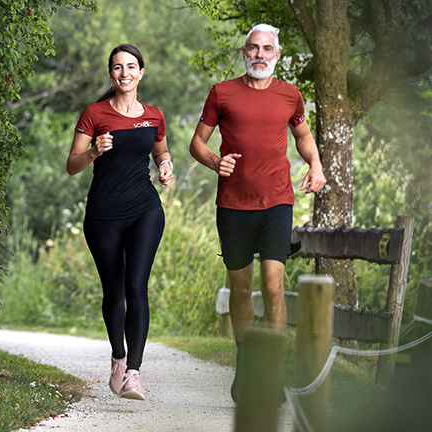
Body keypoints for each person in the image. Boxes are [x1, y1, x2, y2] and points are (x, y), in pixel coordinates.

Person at [189, 24, 327, 402]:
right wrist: (216, 162)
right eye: (253, 49)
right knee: (241, 287)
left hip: (277, 202)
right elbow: (196, 143)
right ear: (245, 53)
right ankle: (247, 362)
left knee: (272, 284)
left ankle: (269, 370)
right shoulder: (222, 93)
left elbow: (302, 137)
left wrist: (315, 165)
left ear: (277, 56)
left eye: (267, 49)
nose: (260, 55)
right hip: (232, 205)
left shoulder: (290, 95)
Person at [66, 44, 173, 400]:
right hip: (103, 215)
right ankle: (117, 355)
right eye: (117, 67)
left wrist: (165, 167)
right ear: (111, 74)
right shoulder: (94, 113)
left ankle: (134, 374)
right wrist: (94, 151)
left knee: (136, 286)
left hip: (145, 209)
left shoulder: (154, 115)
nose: (124, 73)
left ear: (141, 73)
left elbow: (161, 150)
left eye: (131, 67)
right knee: (113, 291)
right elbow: (72, 164)